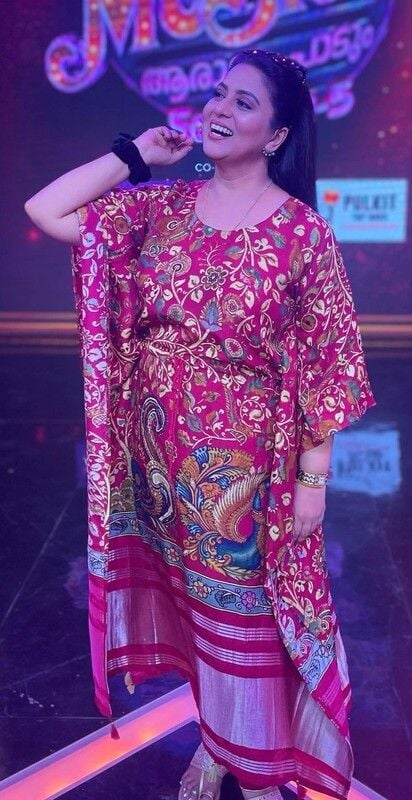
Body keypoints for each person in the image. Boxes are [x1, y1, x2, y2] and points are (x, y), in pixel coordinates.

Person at [25, 48, 375, 800]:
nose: (219, 108)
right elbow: (45, 211)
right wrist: (133, 157)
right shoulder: (161, 208)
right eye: (218, 93)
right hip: (158, 469)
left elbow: (329, 363)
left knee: (249, 627)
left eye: (244, 103)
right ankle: (217, 746)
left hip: (243, 478)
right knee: (194, 619)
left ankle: (256, 766)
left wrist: (314, 482)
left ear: (276, 135)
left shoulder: (301, 234)